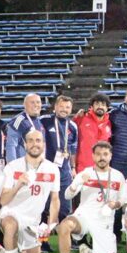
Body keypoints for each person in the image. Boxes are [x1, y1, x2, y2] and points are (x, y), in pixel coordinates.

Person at [54, 141, 125, 253]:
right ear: (93, 156)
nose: (102, 157)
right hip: (84, 216)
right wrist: (78, 182)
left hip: (104, 222)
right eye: (98, 154)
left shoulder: (118, 176)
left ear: (111, 156)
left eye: (105, 154)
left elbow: (123, 199)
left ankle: (88, 251)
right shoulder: (86, 173)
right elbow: (67, 195)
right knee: (65, 226)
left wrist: (116, 204)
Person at [0, 130, 60, 253]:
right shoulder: (12, 167)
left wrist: (51, 223)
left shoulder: (52, 169)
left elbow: (55, 199)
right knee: (11, 225)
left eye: (38, 140)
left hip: (32, 222)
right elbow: (3, 201)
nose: (34, 144)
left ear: (43, 144)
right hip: (11, 213)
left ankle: (1, 252)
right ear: (25, 144)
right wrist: (18, 184)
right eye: (30, 140)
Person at [41, 95, 78, 232]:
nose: (64, 109)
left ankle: (64, 235)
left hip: (64, 171)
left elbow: (73, 148)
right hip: (45, 170)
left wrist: (73, 167)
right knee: (43, 207)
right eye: (61, 106)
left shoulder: (73, 126)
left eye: (67, 107)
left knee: (65, 208)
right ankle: (42, 239)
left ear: (71, 109)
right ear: (55, 107)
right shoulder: (44, 121)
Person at [73, 93, 112, 172]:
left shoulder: (109, 122)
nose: (100, 107)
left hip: (102, 167)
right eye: (97, 104)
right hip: (82, 167)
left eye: (103, 105)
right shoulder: (82, 118)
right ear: (92, 106)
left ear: (107, 108)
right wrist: (72, 167)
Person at [5, 93, 45, 162]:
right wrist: (12, 165)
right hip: (23, 165)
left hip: (37, 164)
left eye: (38, 102)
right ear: (25, 105)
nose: (36, 105)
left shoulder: (39, 121)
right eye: (32, 102)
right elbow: (11, 145)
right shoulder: (18, 120)